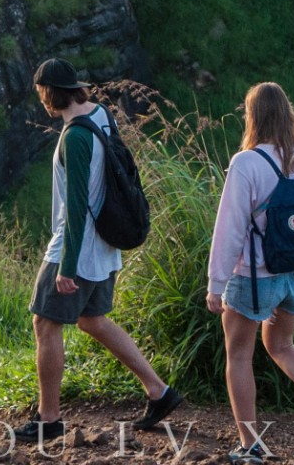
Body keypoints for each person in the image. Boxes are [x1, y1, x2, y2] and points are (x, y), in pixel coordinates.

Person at [15, 58, 184, 443]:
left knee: (45, 323)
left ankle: (49, 418)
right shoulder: (101, 115)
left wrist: (67, 267)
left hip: (77, 247)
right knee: (92, 320)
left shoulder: (74, 137)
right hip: (106, 244)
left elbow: (75, 208)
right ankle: (159, 391)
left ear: (48, 94)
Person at [204, 81, 294, 464]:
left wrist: (216, 283)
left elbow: (230, 227)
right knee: (281, 345)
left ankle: (250, 444)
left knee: (239, 355)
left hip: (254, 277)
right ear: (288, 112)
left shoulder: (246, 163)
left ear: (253, 117)